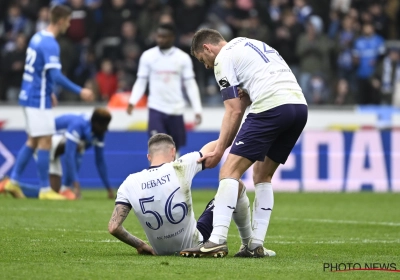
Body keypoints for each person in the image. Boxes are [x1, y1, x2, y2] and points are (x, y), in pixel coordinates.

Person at [180, 29, 308, 258]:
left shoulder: (223, 58)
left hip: (272, 106)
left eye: (203, 60)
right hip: (298, 107)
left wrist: (219, 150)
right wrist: (247, 96)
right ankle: (255, 245)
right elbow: (250, 93)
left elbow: (234, 109)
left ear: (208, 49)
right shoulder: (249, 44)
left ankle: (216, 240)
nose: (207, 66)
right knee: (262, 175)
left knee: (229, 172)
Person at [108, 133, 276, 257]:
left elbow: (113, 227)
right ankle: (248, 244)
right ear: (173, 152)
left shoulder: (129, 182)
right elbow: (217, 147)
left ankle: (247, 246)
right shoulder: (181, 165)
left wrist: (140, 245)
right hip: (195, 243)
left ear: (148, 157)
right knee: (236, 185)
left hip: (160, 251)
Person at [5, 5, 94, 200]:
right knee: (45, 141)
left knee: (33, 140)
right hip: (37, 99)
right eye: (69, 21)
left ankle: (14, 181)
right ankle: (45, 190)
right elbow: (55, 74)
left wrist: (49, 91)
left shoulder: (37, 36)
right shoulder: (51, 43)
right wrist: (81, 91)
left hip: (31, 94)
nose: (70, 25)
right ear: (61, 21)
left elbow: (40, 71)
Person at [1, 108, 113, 200]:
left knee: (52, 191)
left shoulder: (99, 132)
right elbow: (69, 155)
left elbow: (100, 161)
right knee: (79, 145)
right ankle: (66, 188)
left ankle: (8, 184)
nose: (106, 129)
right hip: (43, 142)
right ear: (96, 123)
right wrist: (75, 183)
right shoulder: (79, 124)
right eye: (104, 126)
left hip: (53, 150)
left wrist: (108, 188)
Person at [127, 23, 202, 153]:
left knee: (174, 148)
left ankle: (174, 171)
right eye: (159, 36)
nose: (161, 39)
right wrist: (132, 101)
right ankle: (159, 172)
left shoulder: (182, 58)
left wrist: (197, 108)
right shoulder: (148, 56)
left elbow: (190, 84)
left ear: (172, 37)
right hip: (156, 108)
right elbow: (141, 81)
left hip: (176, 109)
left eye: (164, 36)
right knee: (158, 145)